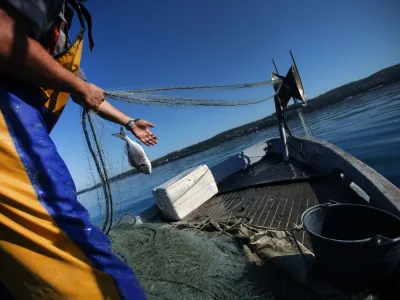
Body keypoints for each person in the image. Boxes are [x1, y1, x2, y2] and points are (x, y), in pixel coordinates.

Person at [0, 1, 156, 299]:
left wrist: (130, 122)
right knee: (71, 248)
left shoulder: (62, 23)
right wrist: (78, 86)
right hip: (7, 118)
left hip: (19, 119)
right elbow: (4, 34)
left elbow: (87, 94)